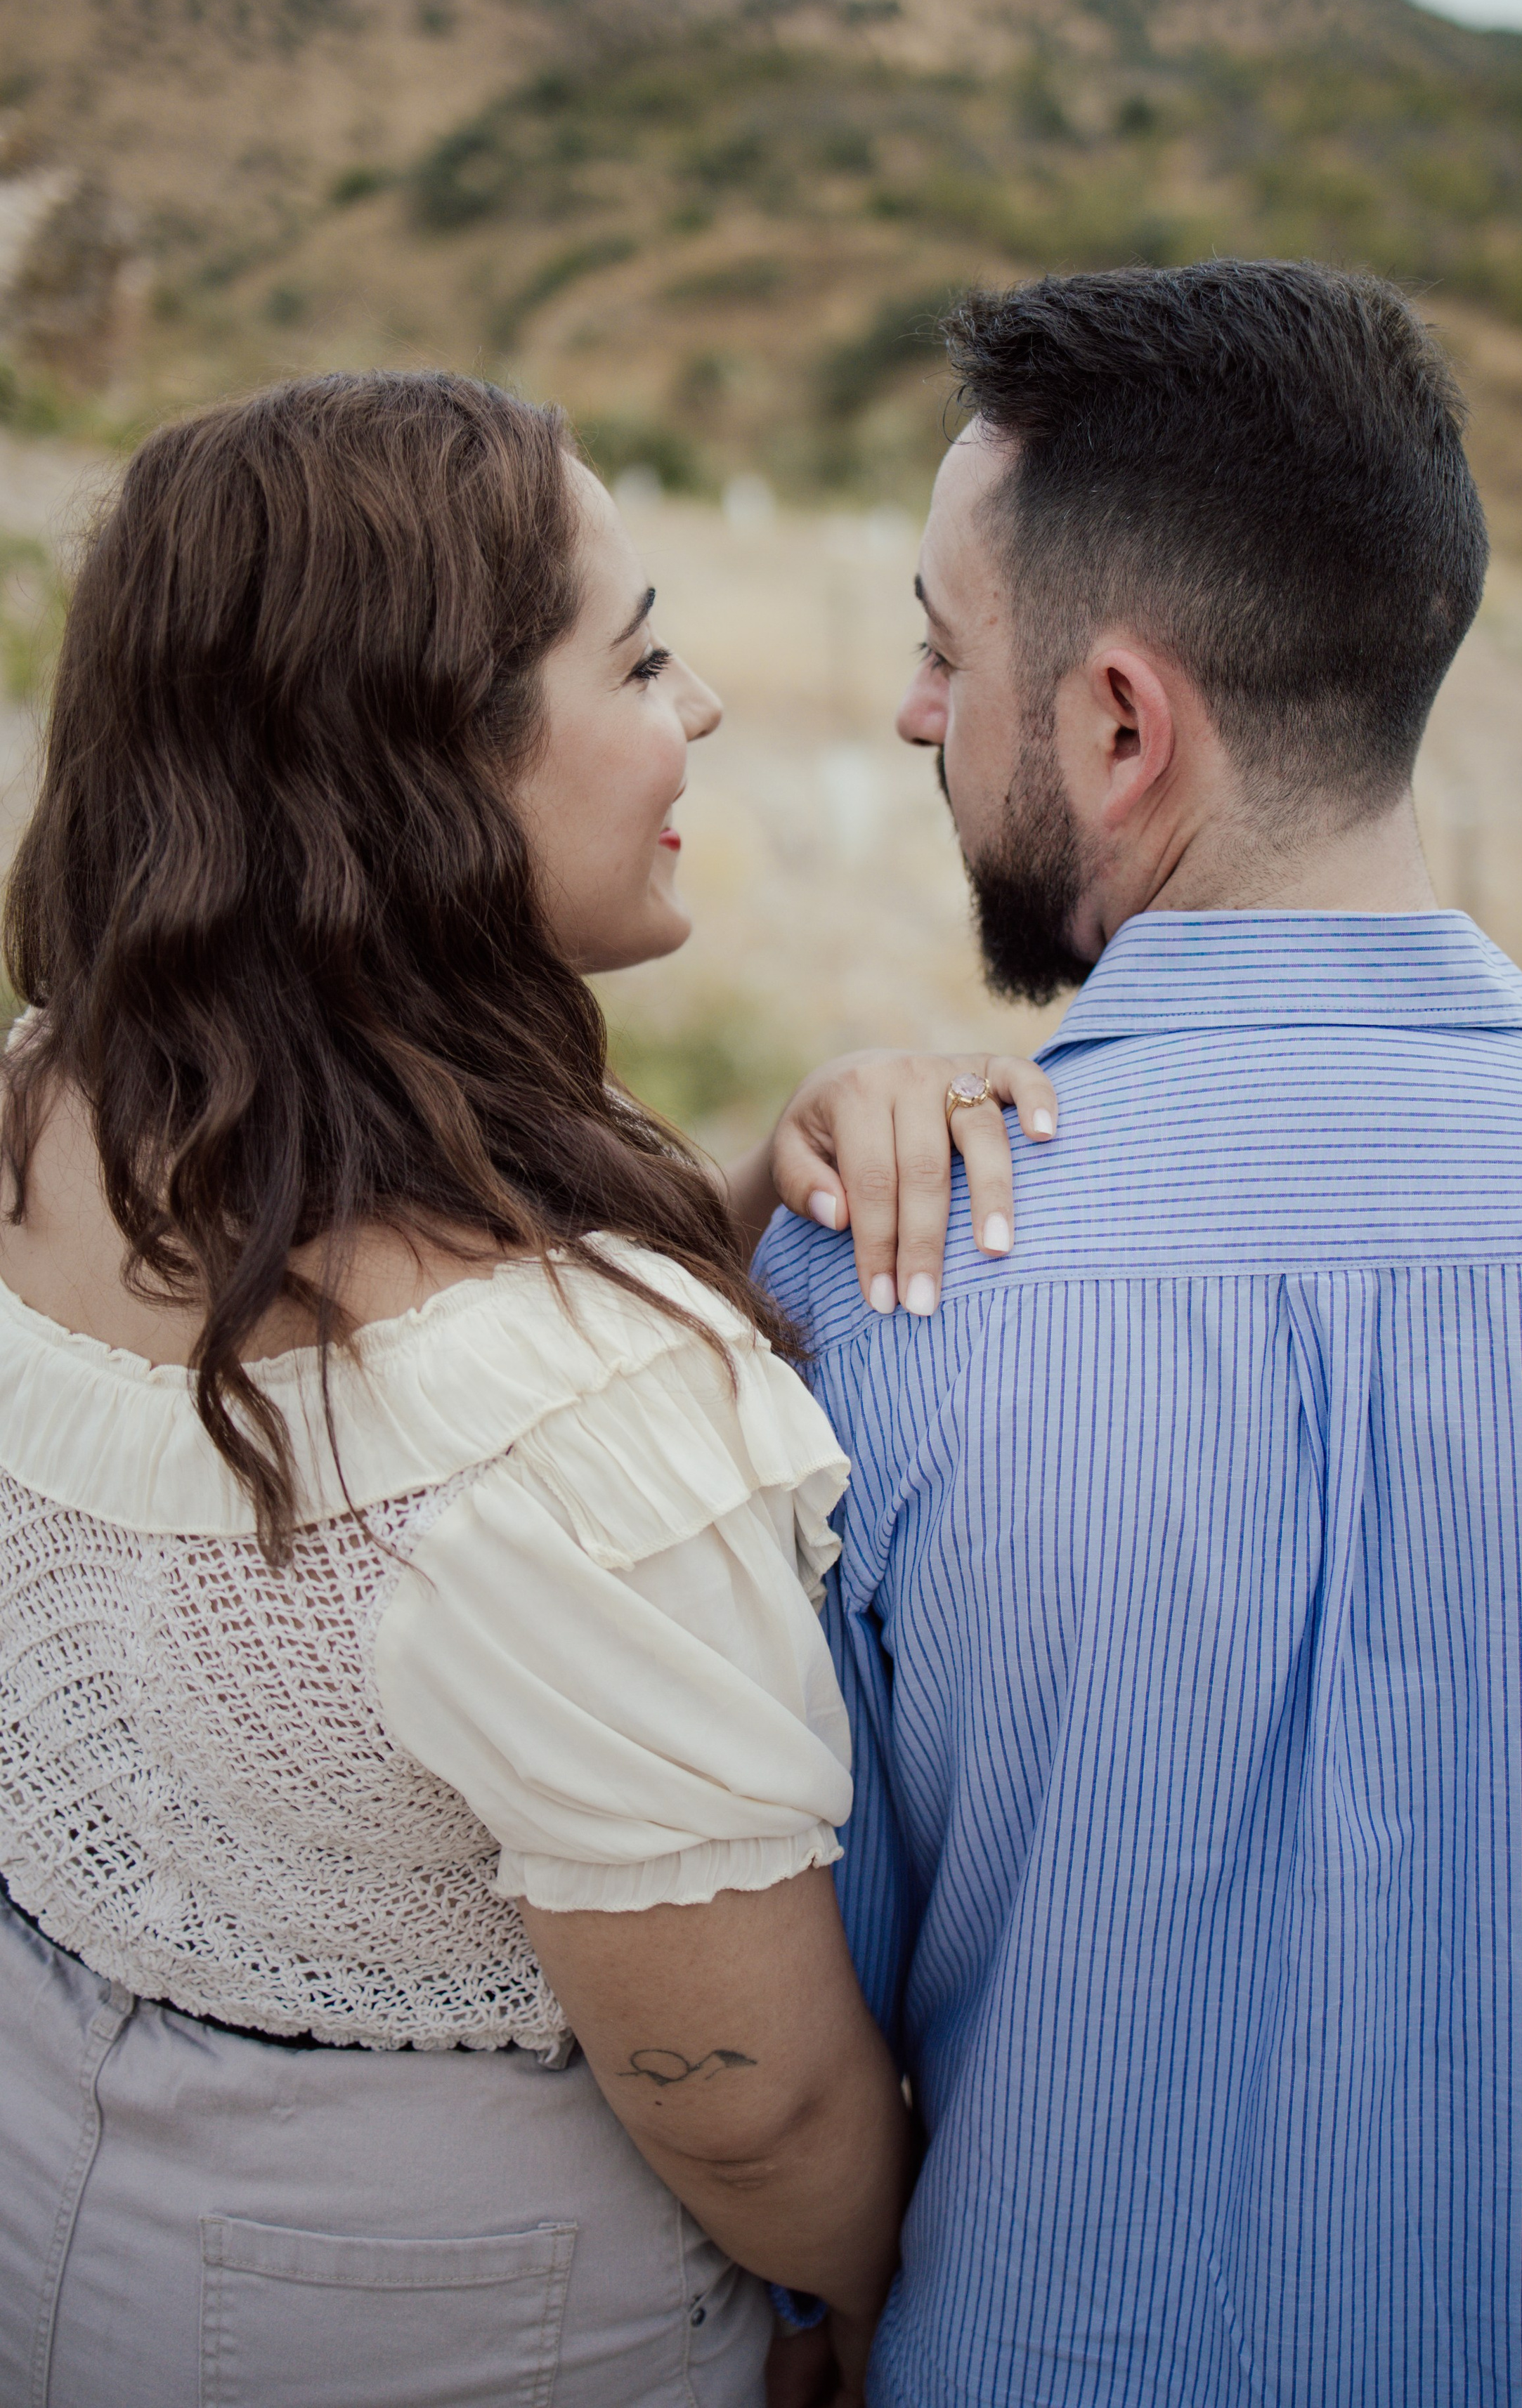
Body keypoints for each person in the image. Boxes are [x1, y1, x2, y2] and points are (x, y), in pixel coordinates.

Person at [756, 262, 1522, 2408]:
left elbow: (803, 2075)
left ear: (1124, 727)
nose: (911, 716)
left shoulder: (867, 1284)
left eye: (948, 657)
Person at [0, 370, 1057, 2408]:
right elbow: (751, 2105)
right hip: (430, 2307)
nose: (706, 708)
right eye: (641, 653)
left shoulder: (54, 1110)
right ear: (418, 757)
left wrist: (764, 1175)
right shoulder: (567, 1414)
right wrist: (867, 2289)